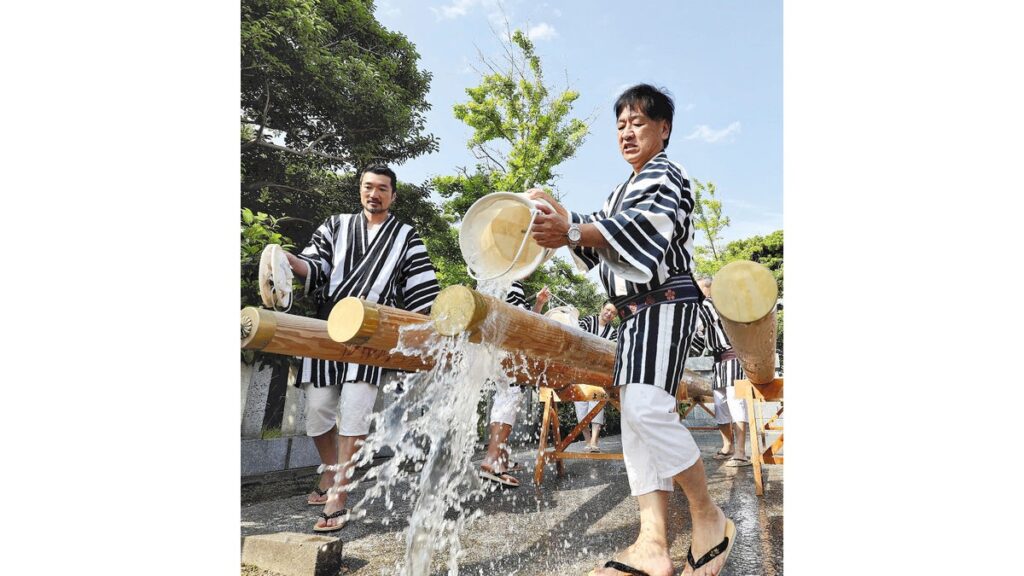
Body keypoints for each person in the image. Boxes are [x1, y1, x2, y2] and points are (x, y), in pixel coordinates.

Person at [528, 84, 735, 576]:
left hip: (665, 303)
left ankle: (709, 516)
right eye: (620, 125)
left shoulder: (667, 174)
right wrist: (558, 215)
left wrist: (574, 230)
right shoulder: (620, 190)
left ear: (664, 129)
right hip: (633, 313)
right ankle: (652, 543)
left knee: (645, 408)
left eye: (638, 122)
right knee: (639, 427)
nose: (626, 132)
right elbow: (595, 236)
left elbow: (638, 230)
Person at [284, 165, 440, 532]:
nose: (375, 194)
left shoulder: (406, 235)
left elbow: (422, 291)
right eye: (368, 187)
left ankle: (338, 494)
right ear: (360, 190)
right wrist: (289, 261)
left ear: (393, 195)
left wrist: (424, 337)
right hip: (327, 326)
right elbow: (315, 265)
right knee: (318, 413)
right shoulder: (335, 225)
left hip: (370, 331)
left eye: (382, 189)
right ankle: (332, 471)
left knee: (354, 411)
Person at [478, 282, 550, 487]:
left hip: (490, 346)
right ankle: (492, 459)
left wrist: (538, 304)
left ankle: (499, 456)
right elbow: (521, 323)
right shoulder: (511, 280)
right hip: (504, 346)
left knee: (503, 395)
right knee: (510, 394)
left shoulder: (492, 275)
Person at [693, 278, 750, 467]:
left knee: (736, 405)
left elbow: (695, 324)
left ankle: (741, 452)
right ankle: (728, 447)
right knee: (721, 408)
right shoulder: (703, 309)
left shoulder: (712, 303)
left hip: (733, 359)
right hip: (718, 364)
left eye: (698, 287)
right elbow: (697, 343)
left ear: (708, 290)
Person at [574, 301, 618, 452]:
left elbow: (610, 351)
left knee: (596, 404)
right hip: (579, 370)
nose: (609, 314)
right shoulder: (587, 320)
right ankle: (587, 441)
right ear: (602, 308)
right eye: (607, 310)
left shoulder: (613, 332)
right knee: (580, 407)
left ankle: (594, 442)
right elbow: (578, 335)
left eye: (613, 313)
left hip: (597, 373)